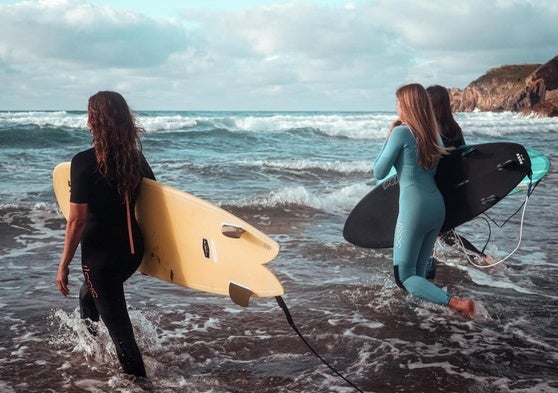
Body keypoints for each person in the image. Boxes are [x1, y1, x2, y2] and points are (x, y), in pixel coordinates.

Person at [56, 91, 155, 378]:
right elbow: (156, 206)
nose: (87, 122)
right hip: (132, 252)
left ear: (95, 122)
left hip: (101, 260)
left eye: (90, 116)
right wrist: (156, 257)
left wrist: (63, 265)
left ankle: (141, 384)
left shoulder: (84, 163)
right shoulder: (135, 159)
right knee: (88, 297)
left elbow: (76, 221)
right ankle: (92, 351)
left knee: (122, 336)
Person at [373, 83, 474, 317]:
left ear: (407, 105)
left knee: (404, 277)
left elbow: (379, 171)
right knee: (417, 275)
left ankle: (459, 305)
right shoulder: (434, 134)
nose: (396, 107)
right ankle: (418, 322)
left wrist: (390, 136)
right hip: (436, 208)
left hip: (413, 209)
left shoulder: (401, 133)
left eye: (398, 102)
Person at [426, 85, 494, 266]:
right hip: (450, 188)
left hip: (430, 188)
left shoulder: (428, 130)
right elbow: (464, 158)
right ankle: (483, 258)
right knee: (444, 233)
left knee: (439, 233)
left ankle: (483, 259)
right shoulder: (454, 129)